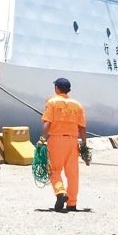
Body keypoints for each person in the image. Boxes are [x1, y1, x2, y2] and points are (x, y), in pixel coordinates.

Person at [40, 77, 87, 212]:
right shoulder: (77, 105)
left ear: (56, 88)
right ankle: (72, 203)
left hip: (56, 140)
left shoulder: (52, 102)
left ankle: (60, 193)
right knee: (72, 173)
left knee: (54, 170)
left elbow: (47, 123)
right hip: (73, 141)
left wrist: (42, 139)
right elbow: (82, 127)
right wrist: (84, 144)